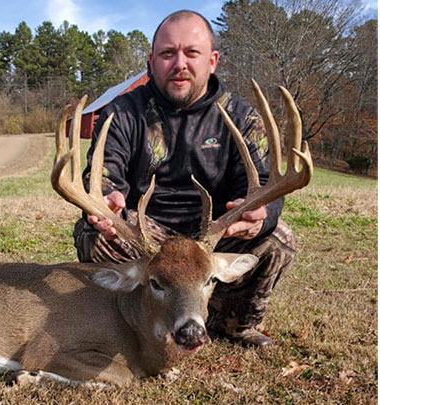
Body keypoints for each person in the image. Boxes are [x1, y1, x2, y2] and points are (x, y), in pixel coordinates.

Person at [72, 10, 297, 347]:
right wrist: (107, 199)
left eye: (191, 52)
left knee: (278, 238)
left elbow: (265, 185)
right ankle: (135, 320)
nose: (179, 63)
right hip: (147, 235)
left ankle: (233, 322)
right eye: (167, 53)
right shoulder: (121, 113)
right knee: (94, 234)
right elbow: (104, 173)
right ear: (151, 60)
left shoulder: (241, 117)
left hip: (212, 235)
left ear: (212, 60)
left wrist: (261, 215)